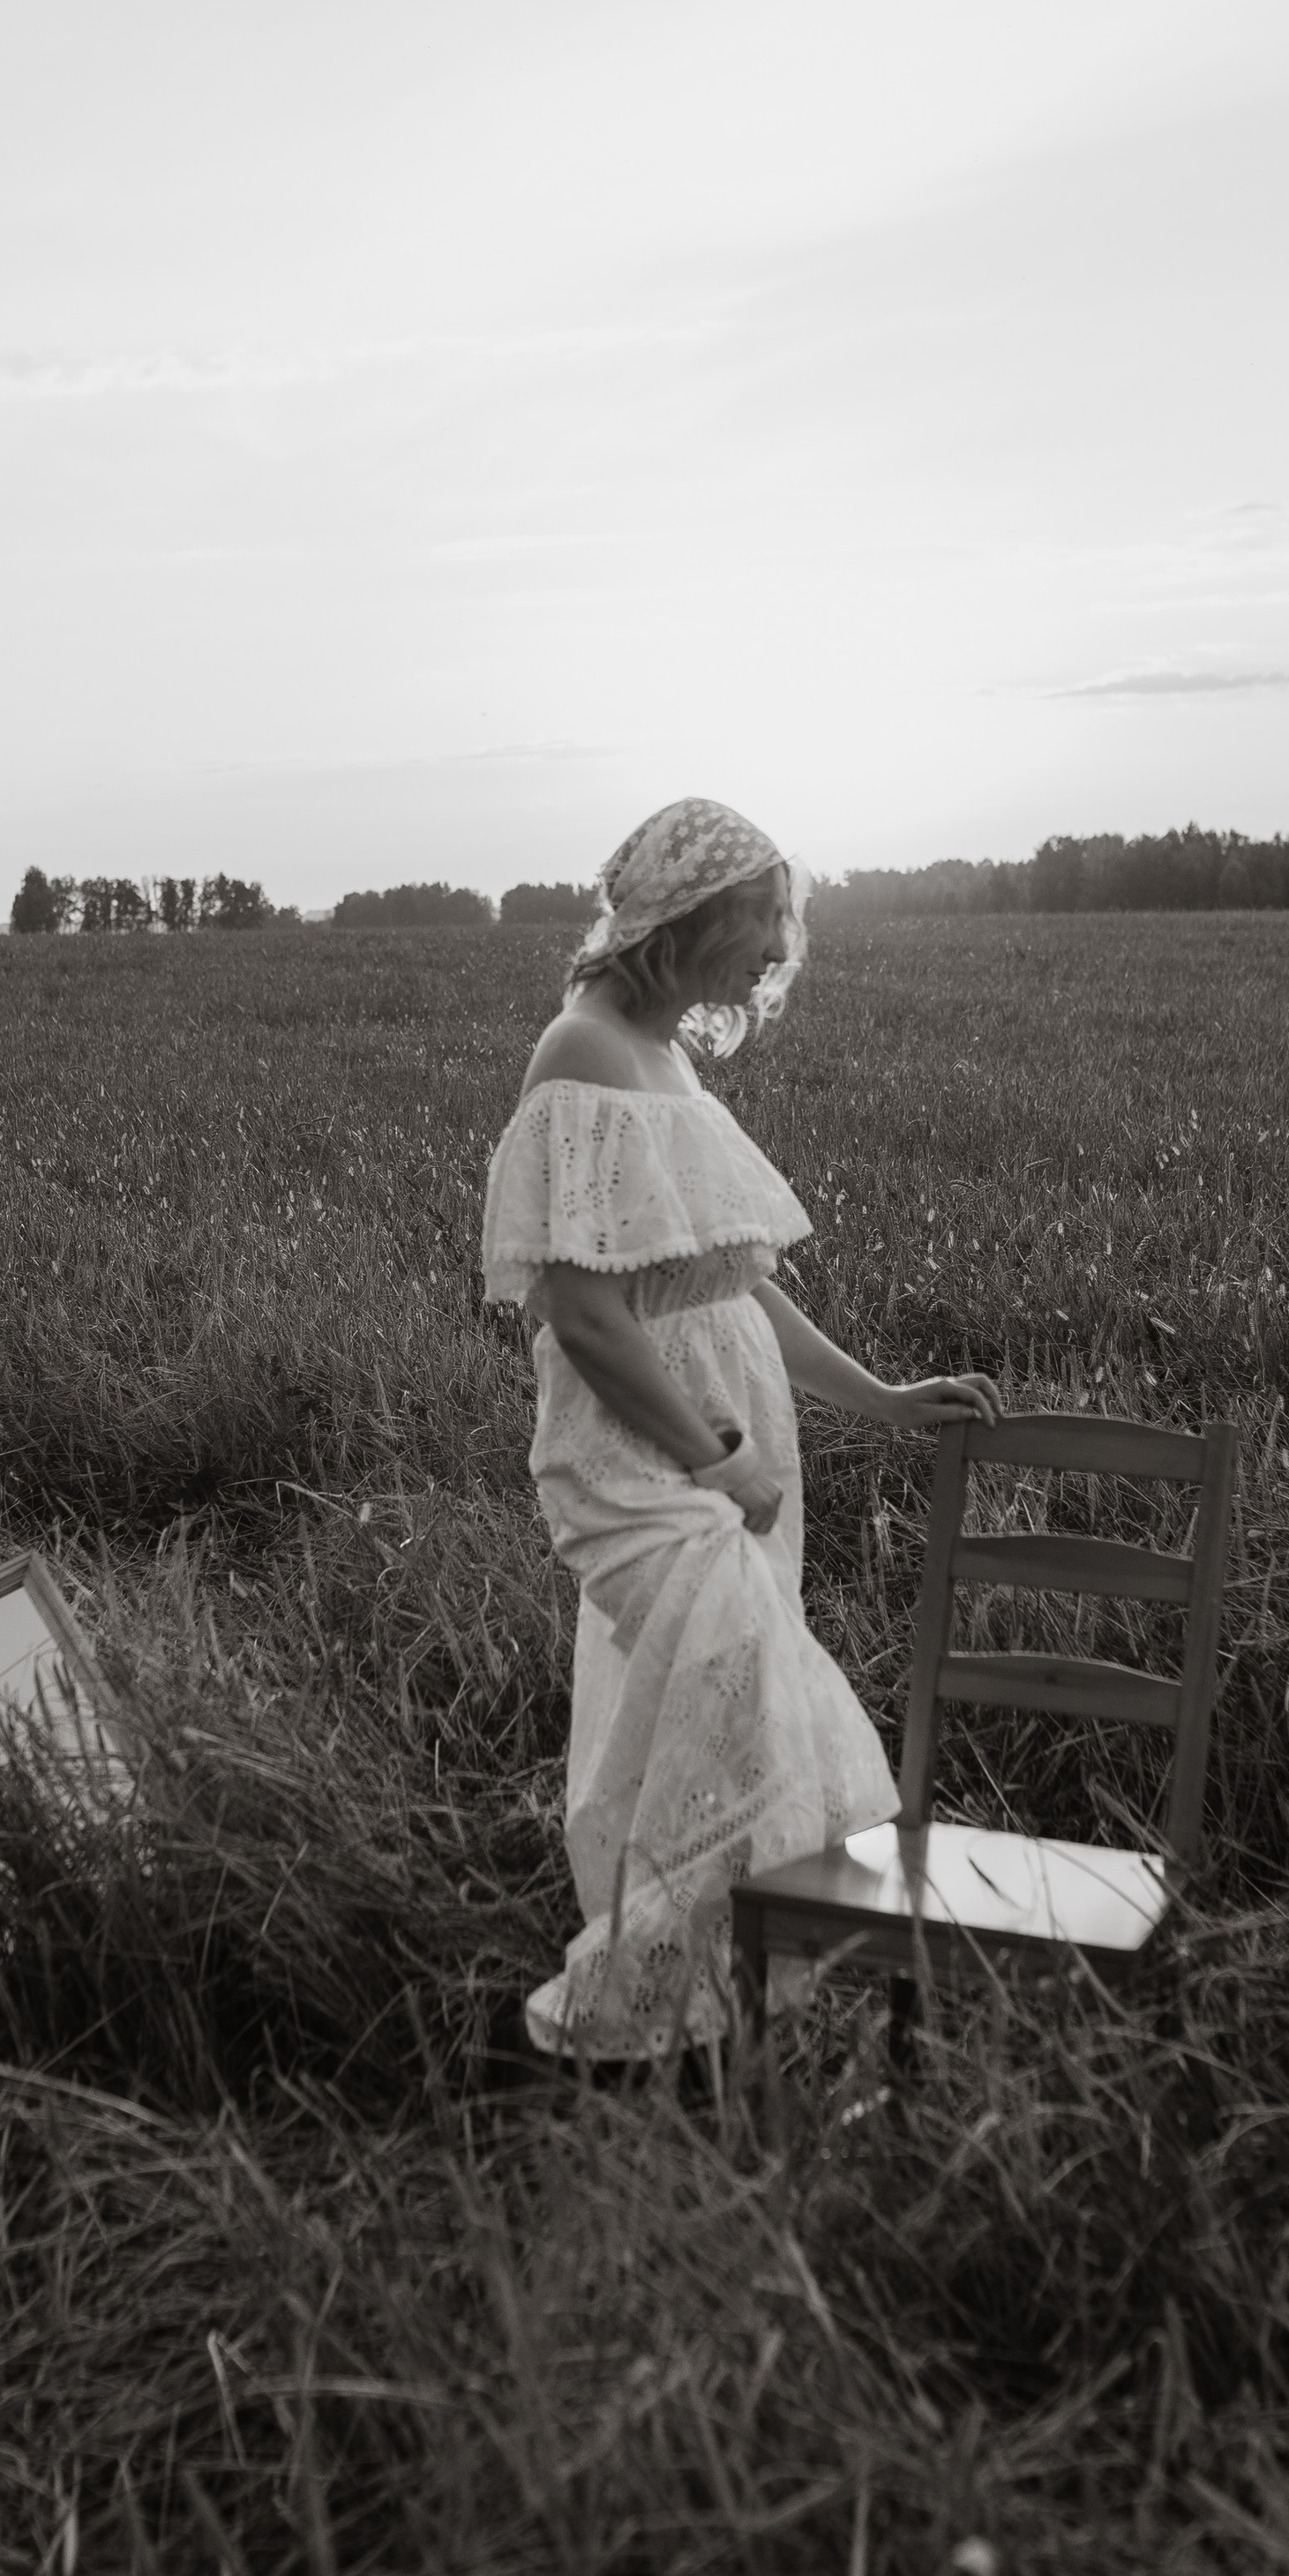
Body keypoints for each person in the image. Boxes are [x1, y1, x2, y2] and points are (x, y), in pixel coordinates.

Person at [482, 796, 1002, 2061]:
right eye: (763, 919)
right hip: (643, 1460)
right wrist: (719, 1458)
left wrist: (878, 1398)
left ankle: (715, 2038)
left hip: (739, 1443)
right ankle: (636, 2018)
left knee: (703, 1737)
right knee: (766, 1721)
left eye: (784, 919)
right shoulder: (581, 1052)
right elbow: (583, 1312)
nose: (779, 950)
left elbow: (728, 1285)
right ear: (689, 918)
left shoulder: (667, 1062)